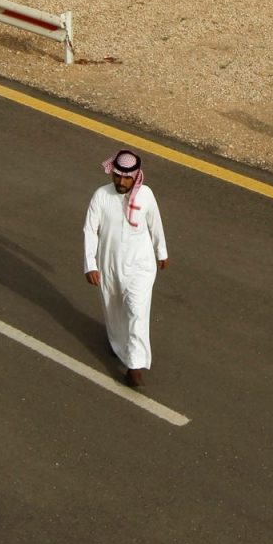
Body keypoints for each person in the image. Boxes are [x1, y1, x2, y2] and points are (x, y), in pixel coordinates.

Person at [83, 148, 169, 388]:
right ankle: (118, 344)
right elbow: (90, 230)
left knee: (137, 312)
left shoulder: (146, 196)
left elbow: (155, 223)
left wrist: (161, 251)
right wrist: (90, 264)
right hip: (109, 264)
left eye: (127, 178)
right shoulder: (101, 196)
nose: (121, 182)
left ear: (136, 176)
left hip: (141, 266)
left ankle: (134, 366)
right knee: (114, 309)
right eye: (118, 176)